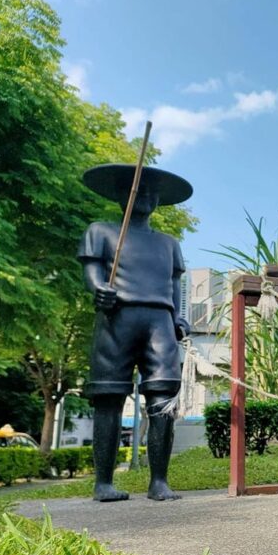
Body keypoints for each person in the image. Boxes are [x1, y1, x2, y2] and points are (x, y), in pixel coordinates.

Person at [78, 163, 193, 502]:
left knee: (163, 398)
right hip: (118, 316)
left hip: (160, 320)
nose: (145, 197)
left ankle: (159, 481)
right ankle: (103, 482)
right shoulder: (100, 232)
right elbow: (92, 272)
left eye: (151, 192)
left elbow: (175, 285)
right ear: (120, 196)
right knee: (109, 396)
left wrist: (178, 317)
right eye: (136, 190)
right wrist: (99, 288)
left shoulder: (168, 244)